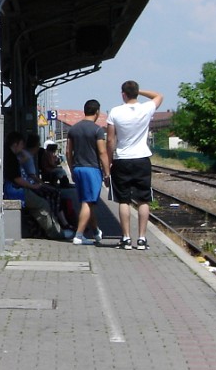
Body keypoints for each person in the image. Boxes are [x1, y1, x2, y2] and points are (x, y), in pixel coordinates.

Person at [107, 81, 163, 250]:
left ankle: (125, 238)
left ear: (123, 94)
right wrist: (140, 91)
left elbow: (110, 139)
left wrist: (110, 160)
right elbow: (159, 96)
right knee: (143, 199)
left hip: (122, 159)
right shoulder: (146, 108)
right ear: (137, 93)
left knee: (123, 200)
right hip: (142, 158)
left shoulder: (115, 112)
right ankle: (142, 239)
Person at [3, 131, 73, 241]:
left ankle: (53, 229)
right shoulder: (11, 158)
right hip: (16, 190)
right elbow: (18, 179)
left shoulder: (9, 155)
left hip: (13, 188)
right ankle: (55, 233)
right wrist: (33, 186)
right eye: (21, 144)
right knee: (42, 204)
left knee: (42, 202)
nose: (23, 147)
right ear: (15, 144)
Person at [66, 99, 110, 245]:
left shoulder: (73, 129)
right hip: (92, 169)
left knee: (87, 202)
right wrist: (107, 172)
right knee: (88, 202)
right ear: (97, 112)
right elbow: (102, 152)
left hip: (78, 168)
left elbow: (68, 152)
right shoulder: (97, 130)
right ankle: (79, 236)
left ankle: (96, 231)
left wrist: (71, 169)